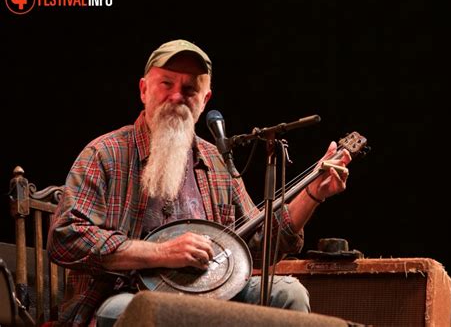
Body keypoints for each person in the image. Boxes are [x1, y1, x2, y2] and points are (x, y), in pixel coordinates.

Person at [47, 39, 351, 326]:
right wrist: (162, 253)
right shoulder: (105, 153)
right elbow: (66, 238)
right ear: (144, 89)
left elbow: (258, 247)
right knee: (138, 311)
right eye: (167, 83)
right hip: (125, 295)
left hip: (213, 294)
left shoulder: (217, 161)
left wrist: (312, 194)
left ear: (204, 100)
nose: (177, 96)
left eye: (190, 88)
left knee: (288, 293)